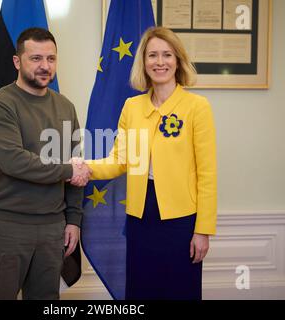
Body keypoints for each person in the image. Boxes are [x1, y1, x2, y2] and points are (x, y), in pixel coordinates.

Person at [83, 26, 217, 300]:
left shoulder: (197, 107)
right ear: (143, 62)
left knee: (180, 291)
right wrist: (84, 168)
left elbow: (207, 174)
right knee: (141, 291)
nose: (160, 62)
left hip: (182, 222)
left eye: (167, 55)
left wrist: (202, 230)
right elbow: (120, 161)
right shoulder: (132, 107)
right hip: (140, 218)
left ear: (178, 60)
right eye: (152, 55)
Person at [0, 27, 91, 300]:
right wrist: (68, 171)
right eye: (36, 58)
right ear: (18, 62)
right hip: (7, 227)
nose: (45, 66)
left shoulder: (66, 107)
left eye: (51, 59)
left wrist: (73, 220)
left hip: (53, 228)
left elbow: (76, 166)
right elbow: (15, 162)